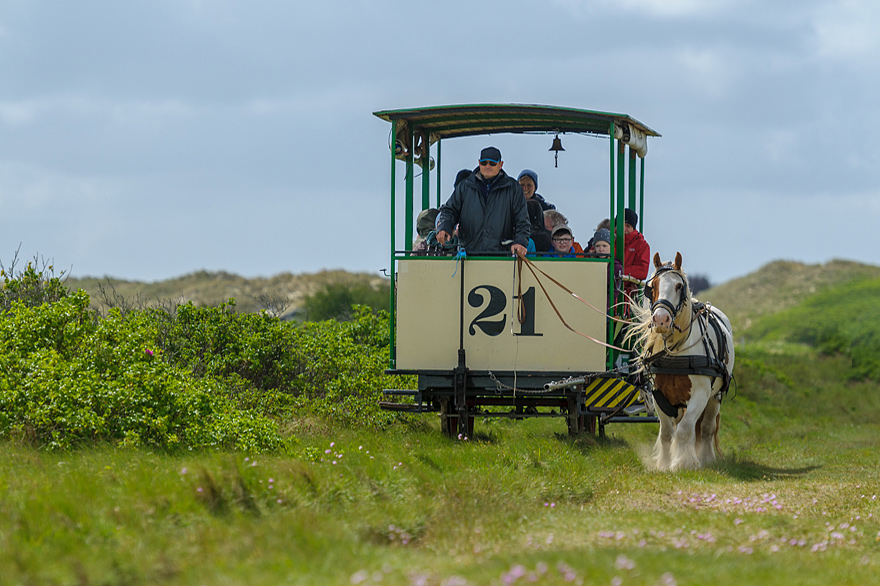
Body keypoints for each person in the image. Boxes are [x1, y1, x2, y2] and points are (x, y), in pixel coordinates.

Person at [436, 147, 529, 256]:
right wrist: (443, 227)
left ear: (501, 164)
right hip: (468, 256)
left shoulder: (514, 189)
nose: (488, 166)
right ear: (479, 163)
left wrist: (520, 242)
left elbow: (522, 220)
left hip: (501, 257)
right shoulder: (465, 186)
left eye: (492, 163)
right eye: (484, 163)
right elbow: (449, 211)